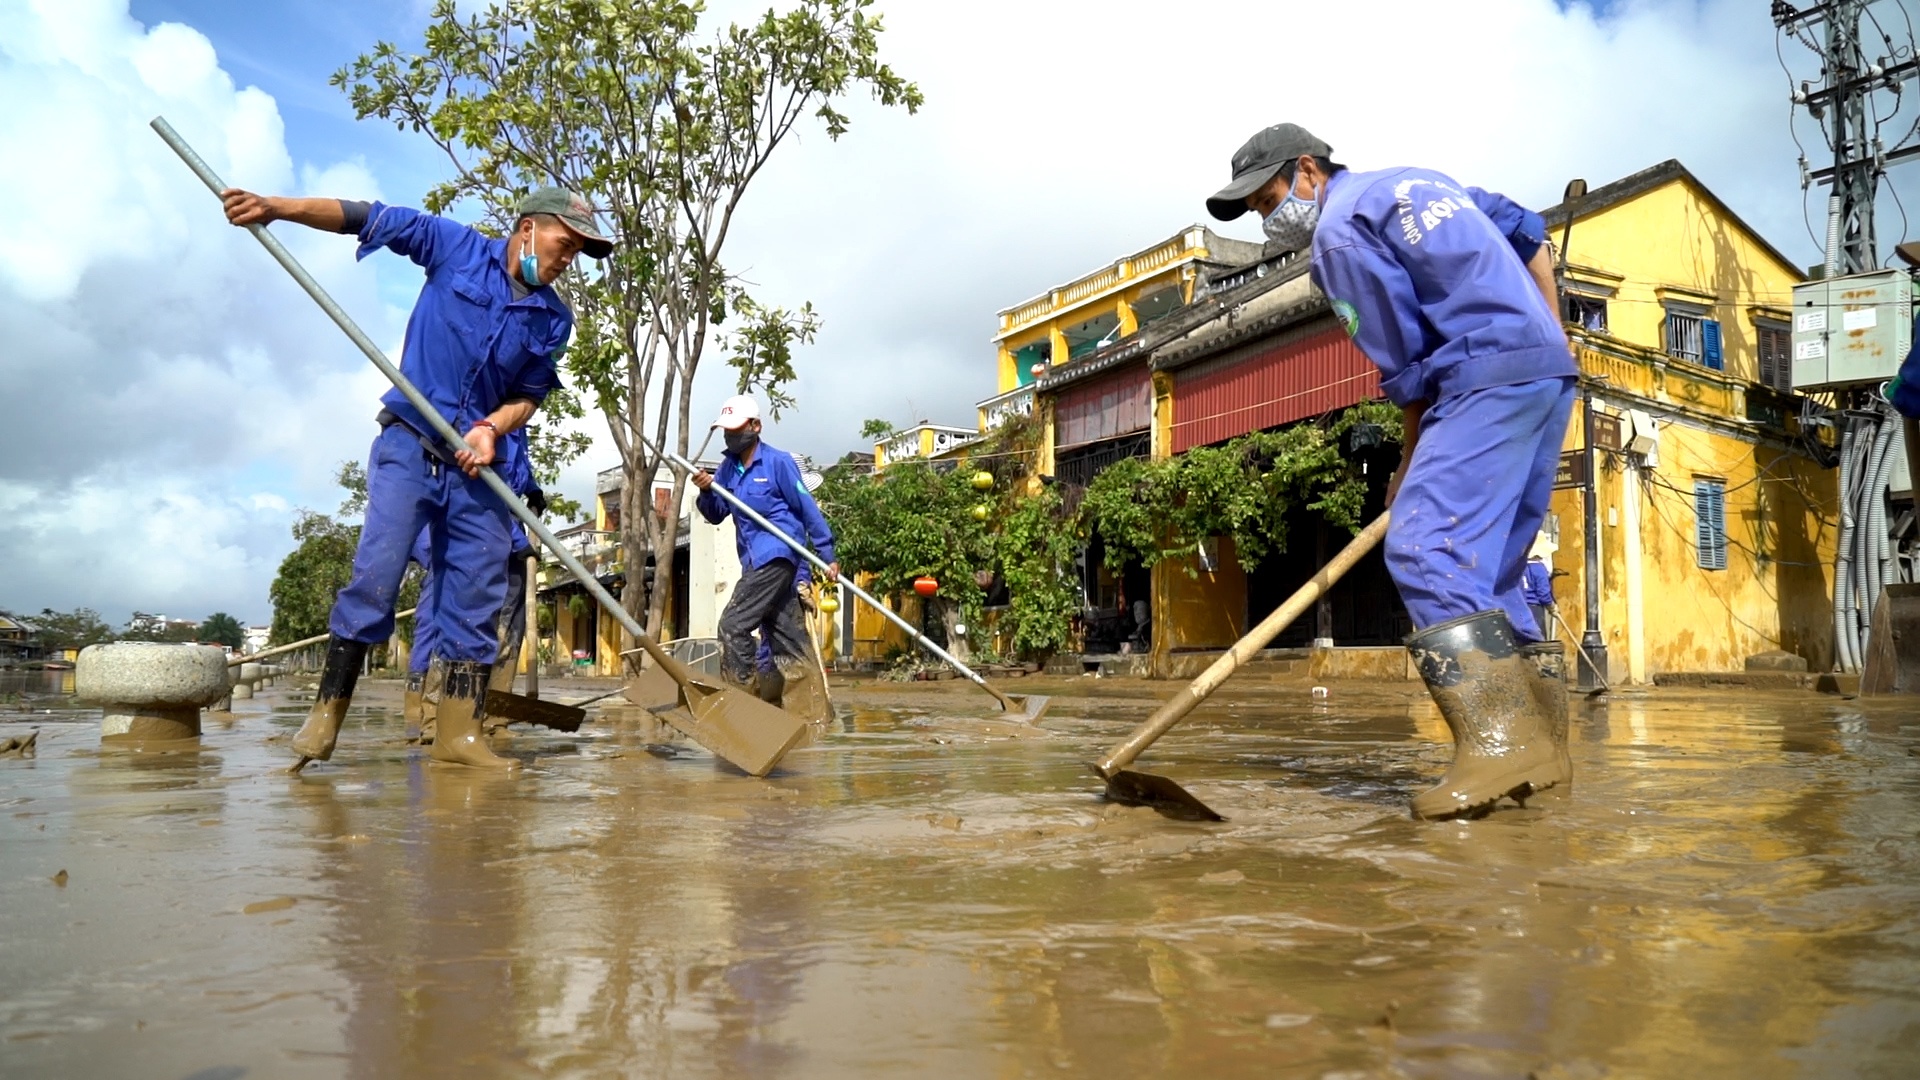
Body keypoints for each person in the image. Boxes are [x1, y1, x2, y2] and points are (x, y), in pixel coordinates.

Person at [1207, 123, 1573, 820]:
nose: (1266, 217)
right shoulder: (1421, 183)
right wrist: (1552, 337)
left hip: (1480, 379)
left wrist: (1408, 464)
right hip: (1546, 375)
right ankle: (1547, 752)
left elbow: (1407, 367)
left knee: (1423, 548)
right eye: (1255, 210)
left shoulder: (1339, 236)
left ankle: (1503, 748)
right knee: (1491, 573)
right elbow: (1531, 232)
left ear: (1308, 170)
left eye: (1266, 198)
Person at [222, 186, 611, 771]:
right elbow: (366, 218)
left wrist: (491, 428)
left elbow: (528, 396)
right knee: (376, 578)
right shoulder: (454, 247)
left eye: (579, 251)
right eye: (566, 242)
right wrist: (278, 208)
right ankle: (327, 713)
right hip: (410, 444)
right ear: (528, 228)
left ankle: (459, 733)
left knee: (476, 597)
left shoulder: (554, 317)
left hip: (479, 467)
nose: (568, 258)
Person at [691, 396, 839, 708]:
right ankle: (811, 713)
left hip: (777, 555)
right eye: (726, 431)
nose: (730, 436)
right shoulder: (728, 471)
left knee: (732, 626)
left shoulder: (778, 462)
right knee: (787, 639)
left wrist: (827, 555)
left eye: (736, 429)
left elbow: (806, 507)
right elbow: (716, 513)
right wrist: (706, 490)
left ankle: (741, 705)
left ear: (756, 427)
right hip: (753, 561)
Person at [405, 429, 547, 742]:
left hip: (511, 522)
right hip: (477, 523)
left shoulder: (516, 423)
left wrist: (533, 488)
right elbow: (480, 483)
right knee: (462, 623)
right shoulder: (477, 419)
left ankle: (494, 720)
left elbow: (517, 463)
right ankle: (435, 719)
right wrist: (517, 538)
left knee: (510, 627)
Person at [1522, 554, 1556, 643]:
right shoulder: (1538, 568)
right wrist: (1551, 606)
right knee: (1538, 642)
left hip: (1518, 607)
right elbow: (1543, 594)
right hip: (1534, 609)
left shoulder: (1515, 568)